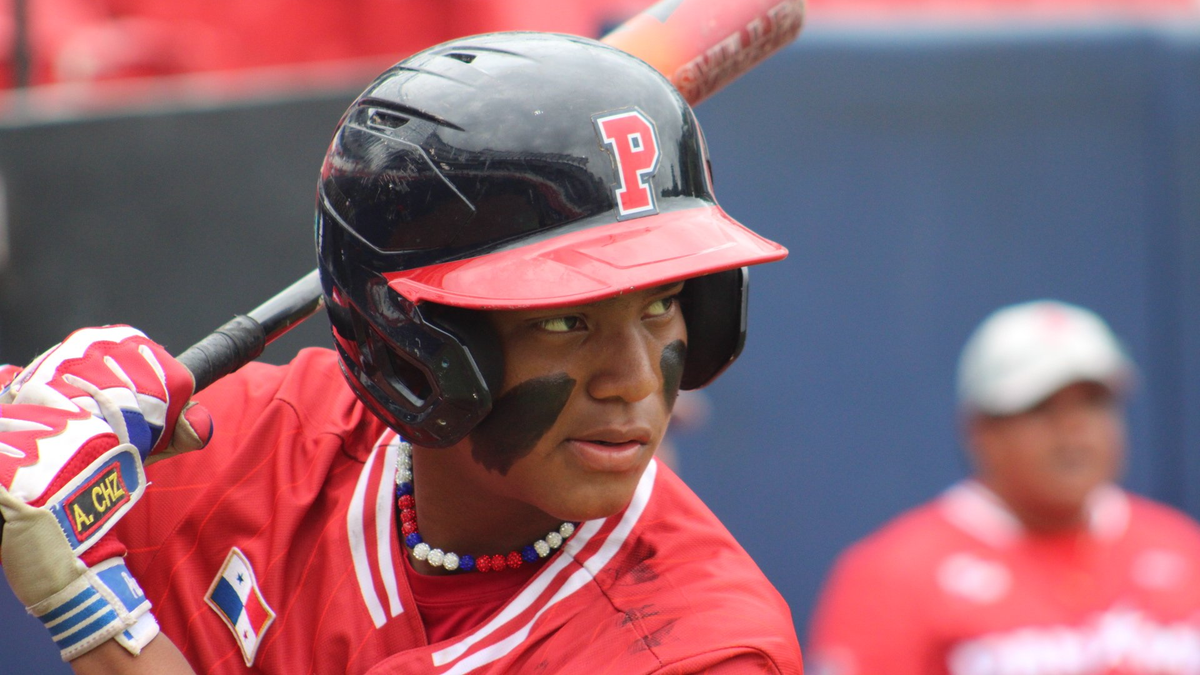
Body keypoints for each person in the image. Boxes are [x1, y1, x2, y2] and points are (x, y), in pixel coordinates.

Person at [0, 32, 805, 674]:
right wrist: (45, 411)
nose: (636, 380)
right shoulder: (270, 443)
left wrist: (96, 615)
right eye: (567, 322)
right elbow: (29, 470)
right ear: (415, 349)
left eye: (661, 305)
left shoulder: (701, 649)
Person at [807, 299, 1200, 675]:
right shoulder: (892, 573)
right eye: (1042, 407)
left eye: (1093, 404)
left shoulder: (1183, 548)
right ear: (982, 431)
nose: (1074, 430)